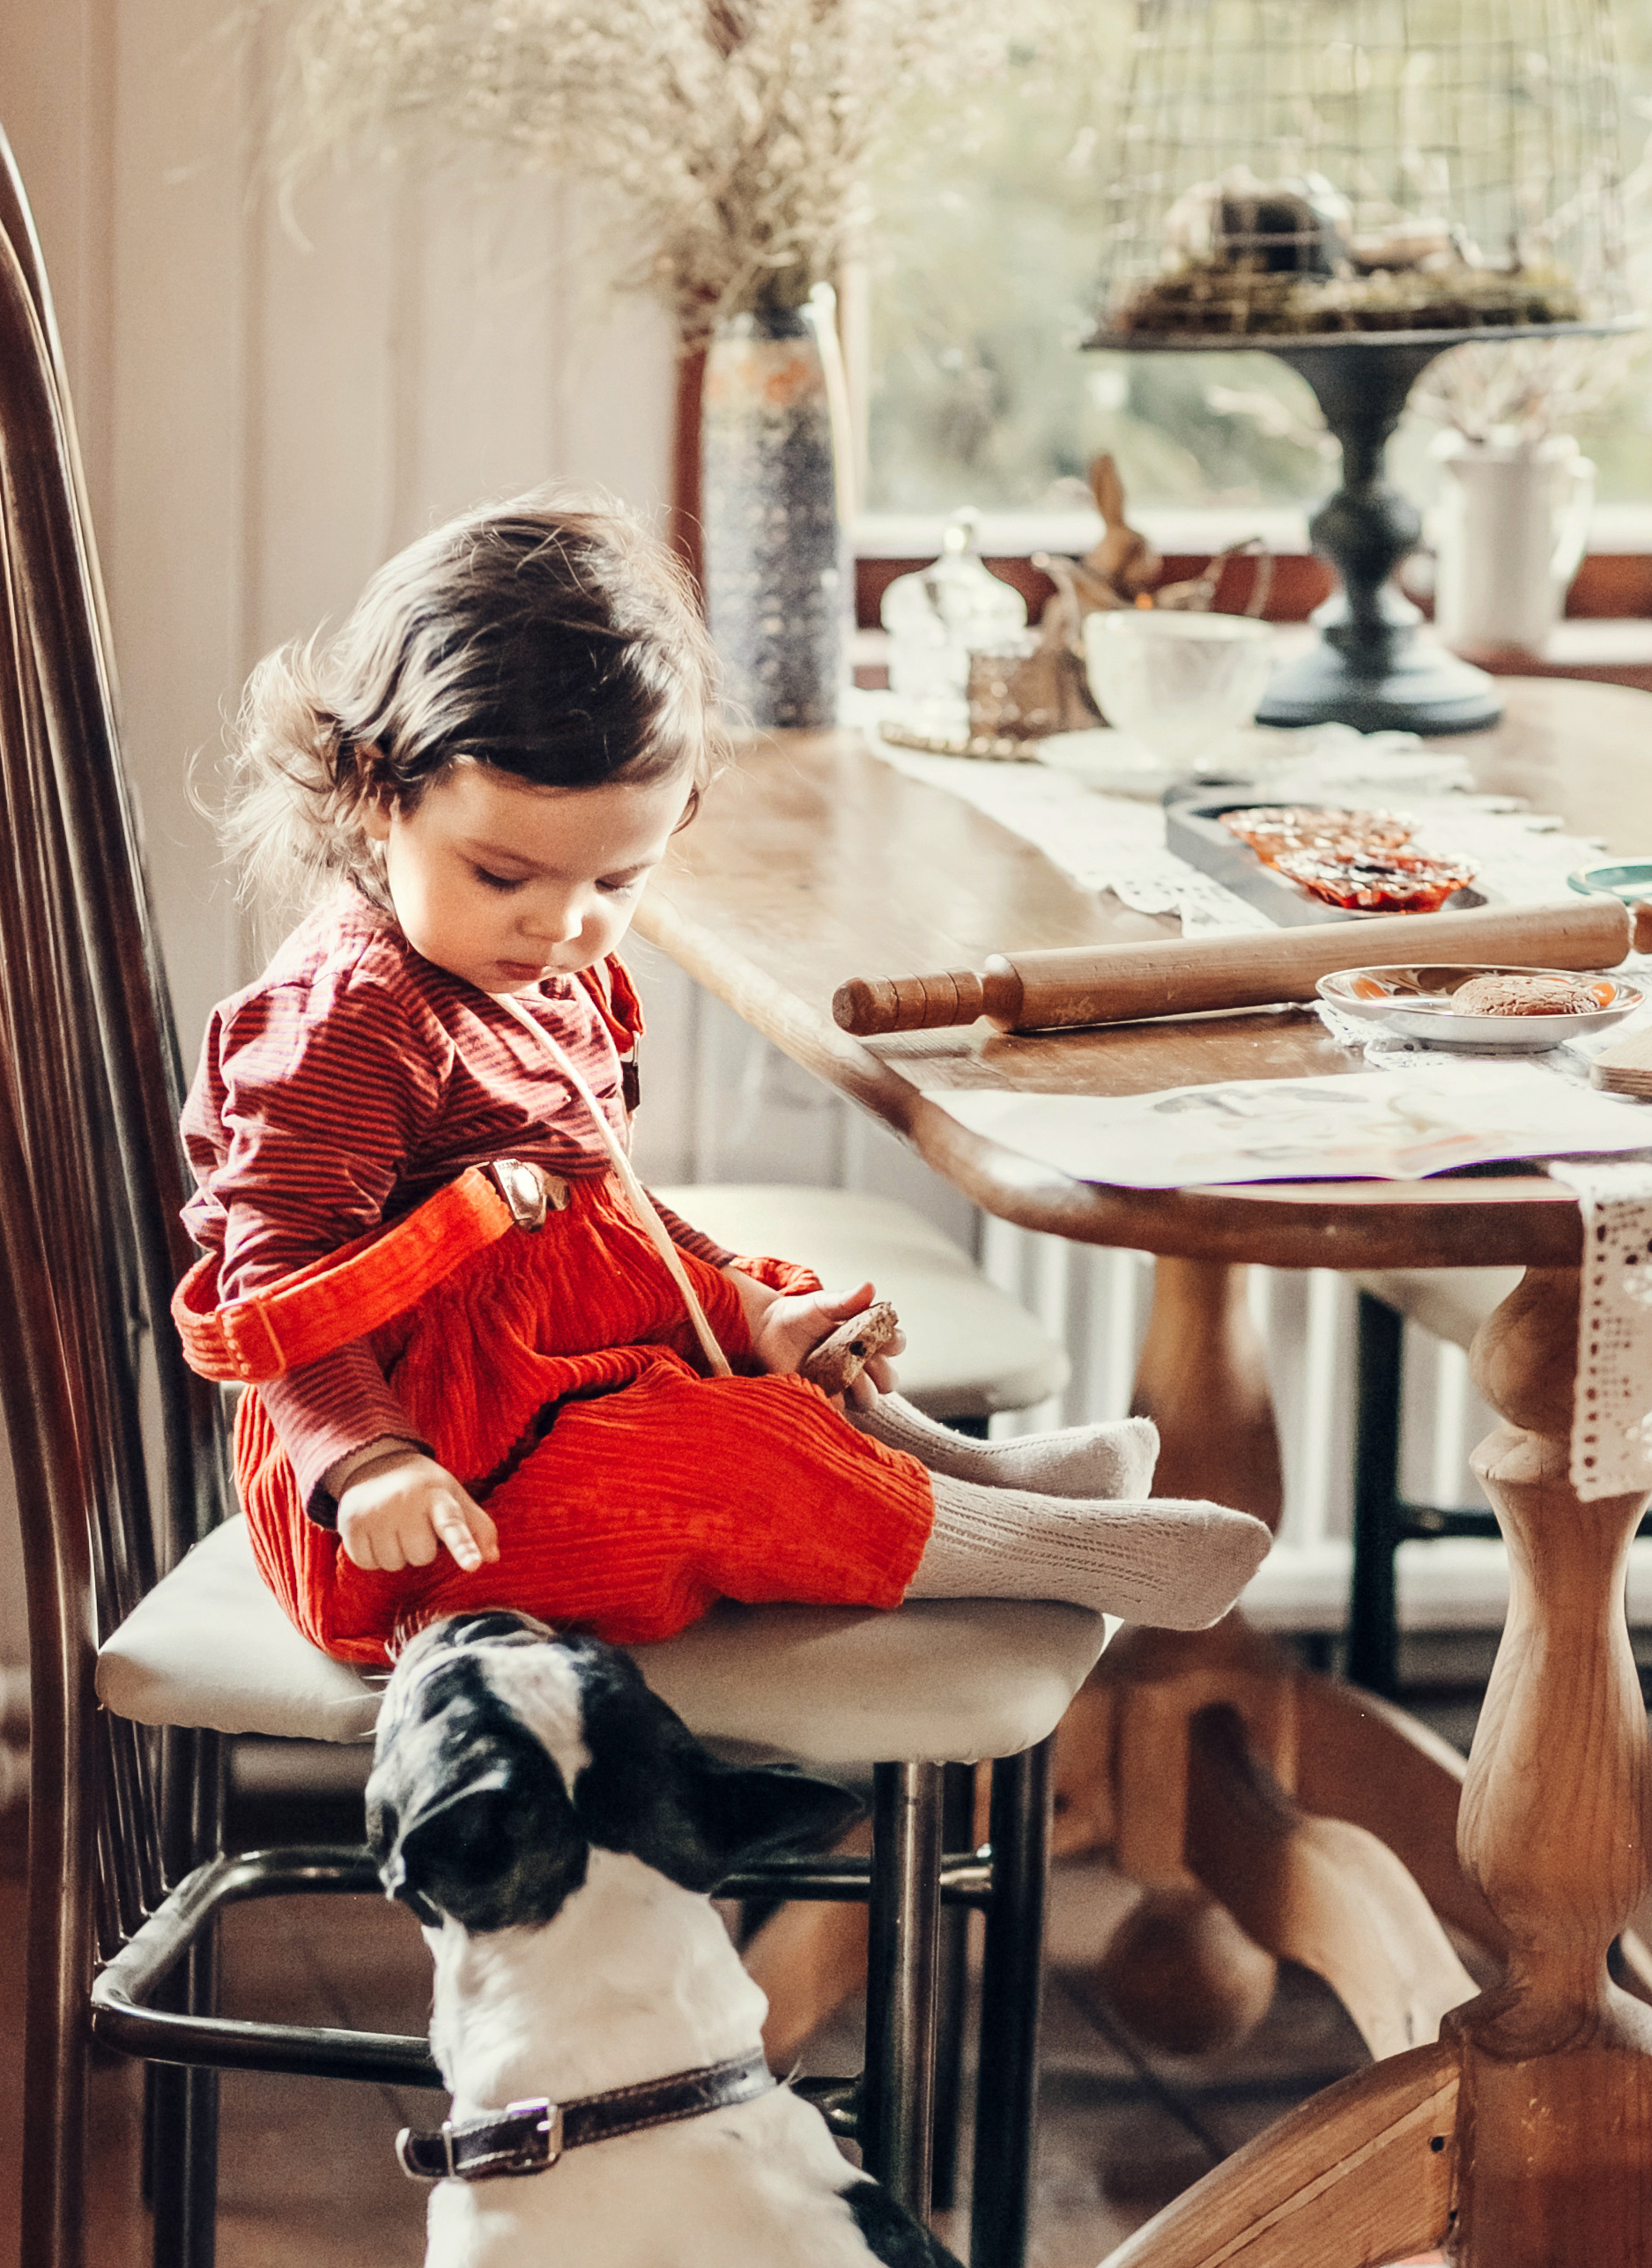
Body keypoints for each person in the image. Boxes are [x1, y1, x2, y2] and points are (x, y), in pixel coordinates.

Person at [182, 496, 1270, 1667]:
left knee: (766, 1338)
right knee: (715, 1462)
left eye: (615, 880)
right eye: (503, 872)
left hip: (543, 1384)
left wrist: (747, 1305)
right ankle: (1042, 1548)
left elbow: (601, 1220)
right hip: (425, 1497)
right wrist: (368, 1462)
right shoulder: (348, 1022)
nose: (560, 922)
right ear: (369, 787)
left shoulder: (523, 963)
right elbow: (280, 1280)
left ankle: (967, 1473)